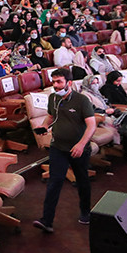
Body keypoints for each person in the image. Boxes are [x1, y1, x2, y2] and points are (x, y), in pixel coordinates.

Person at [34, 69, 97, 234]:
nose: (55, 85)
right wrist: (44, 126)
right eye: (53, 82)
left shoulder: (82, 100)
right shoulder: (53, 98)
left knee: (82, 181)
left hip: (79, 149)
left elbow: (91, 125)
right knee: (54, 182)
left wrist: (81, 144)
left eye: (59, 82)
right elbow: (50, 116)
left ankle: (85, 212)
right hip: (58, 147)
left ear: (69, 83)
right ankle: (47, 220)